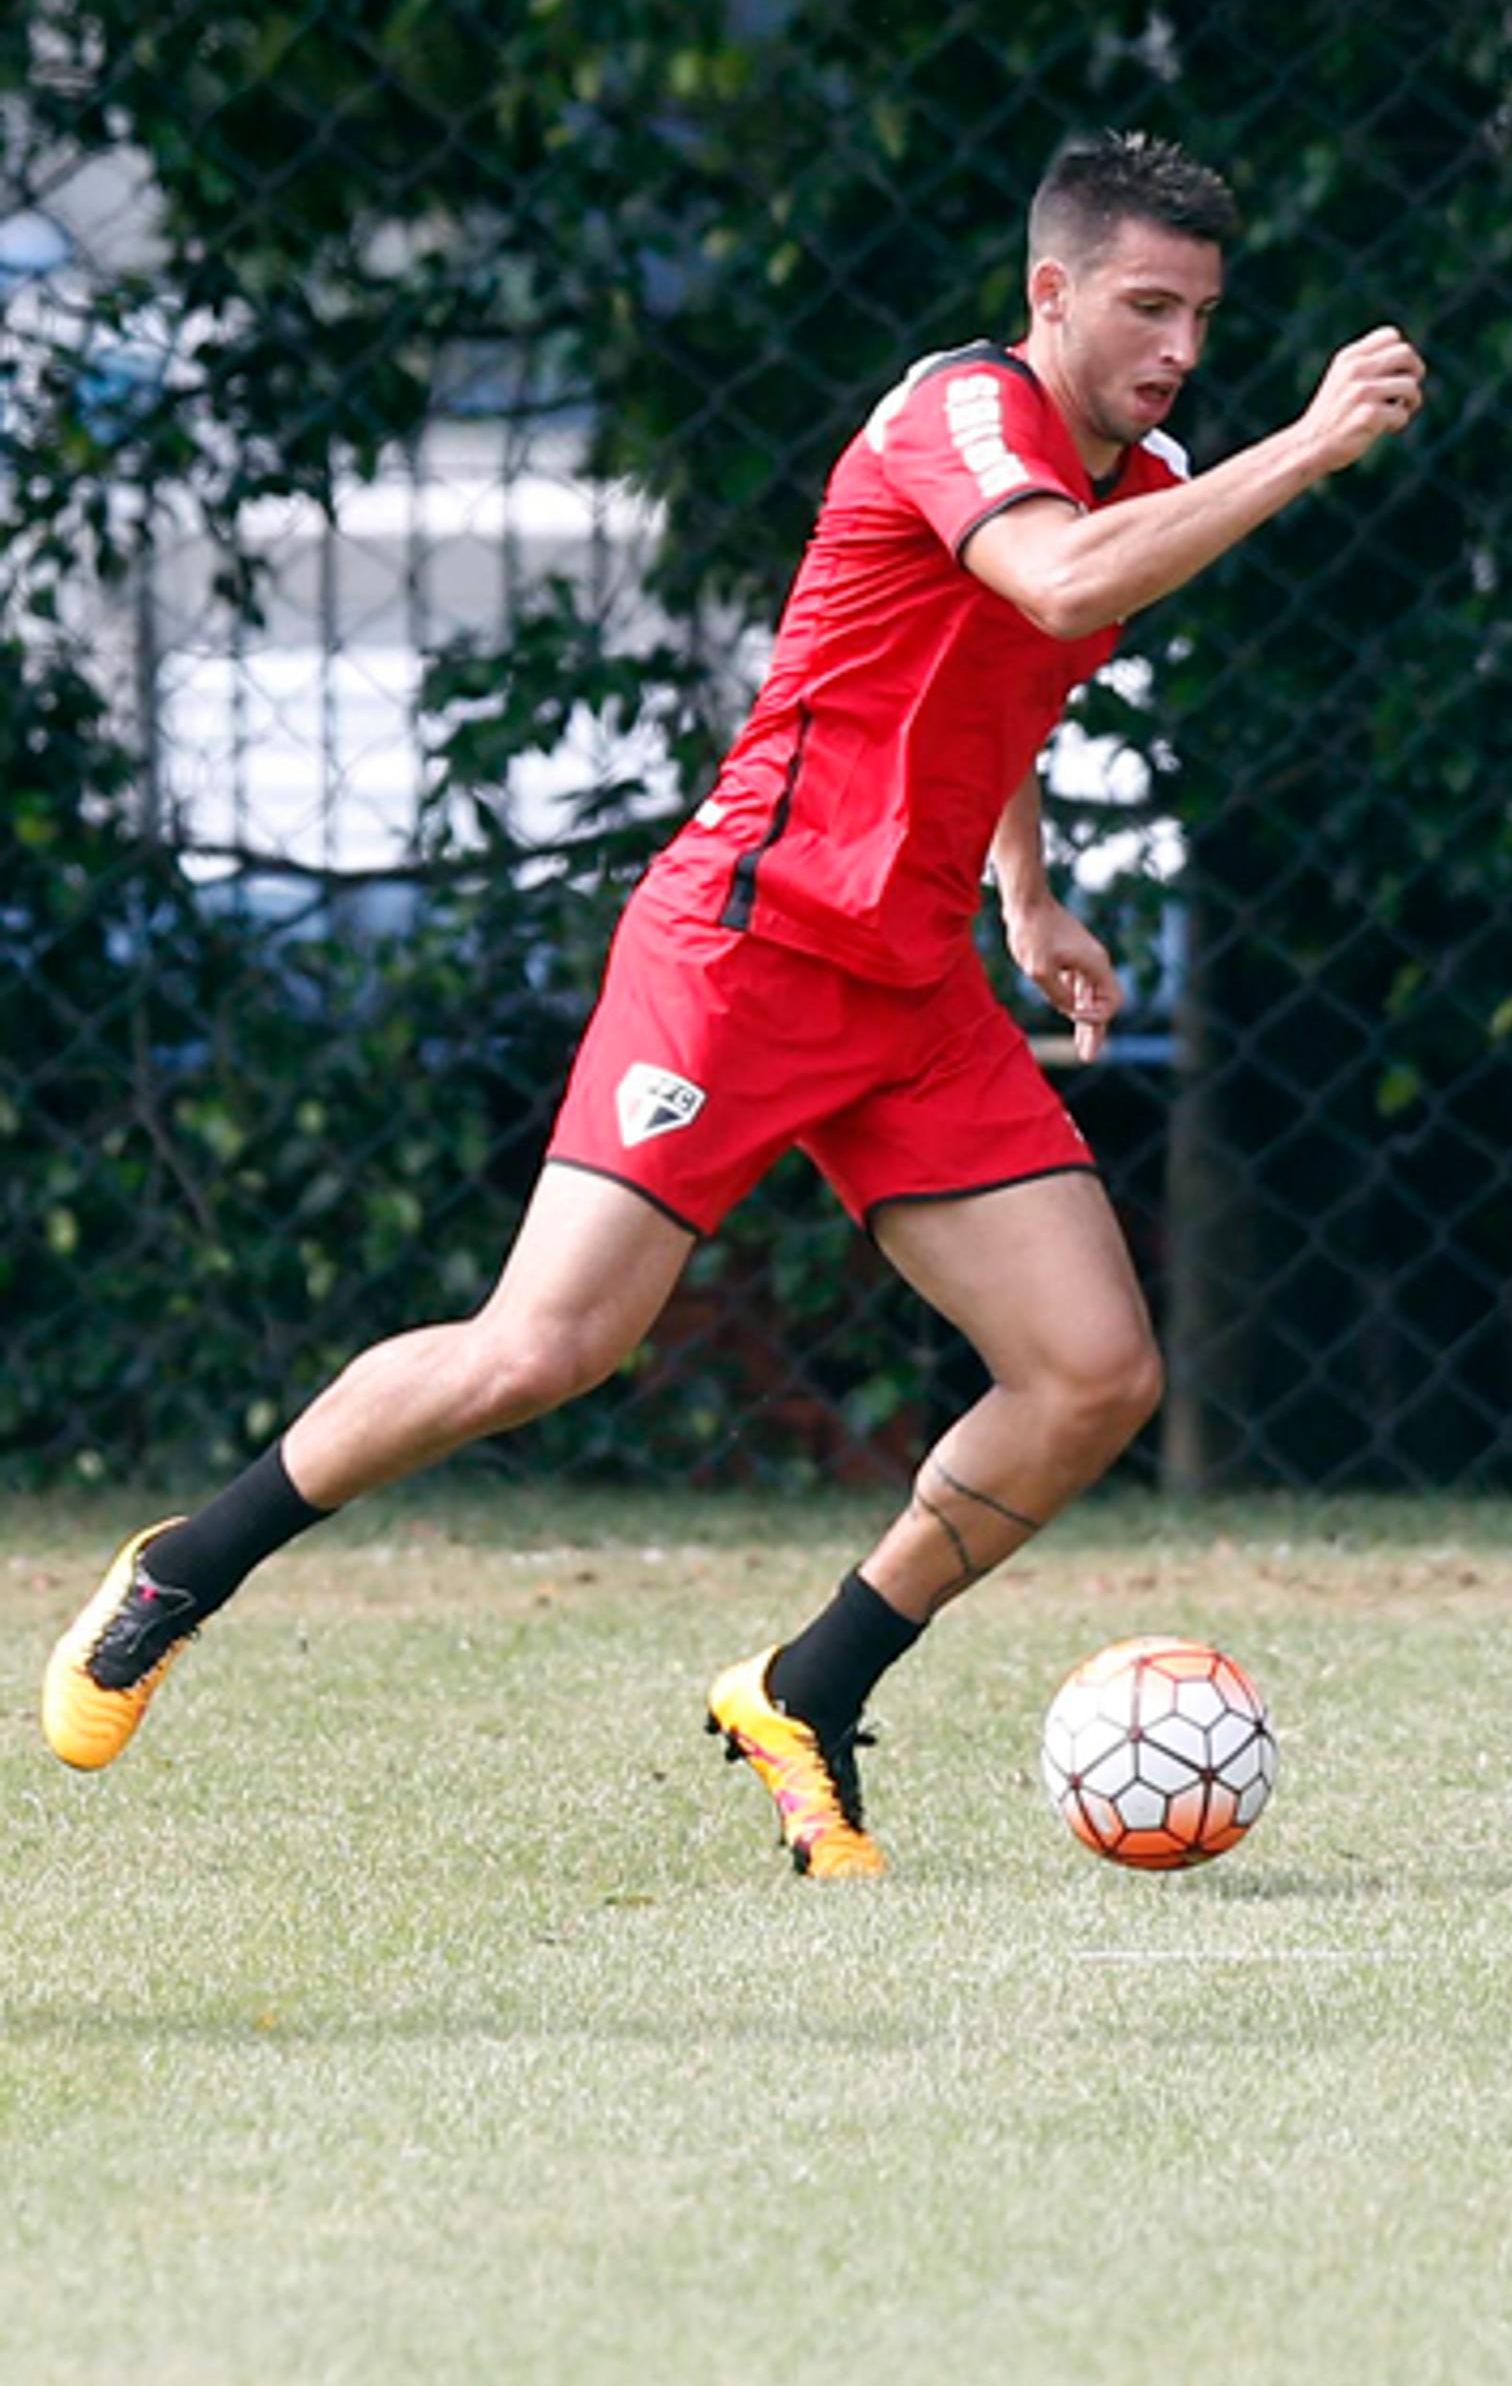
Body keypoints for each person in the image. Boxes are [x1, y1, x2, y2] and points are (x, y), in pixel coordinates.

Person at [39, 131, 1427, 1878]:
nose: (1181, 348)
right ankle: (187, 1564)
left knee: (1089, 1374)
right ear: (1050, 290)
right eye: (1149, 306)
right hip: (746, 949)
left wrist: (1026, 890)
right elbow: (1061, 583)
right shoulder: (962, 417)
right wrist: (1308, 442)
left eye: (1206, 315)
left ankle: (807, 1689)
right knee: (545, 1348)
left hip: (910, 979)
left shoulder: (1132, 462)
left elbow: (1017, 666)